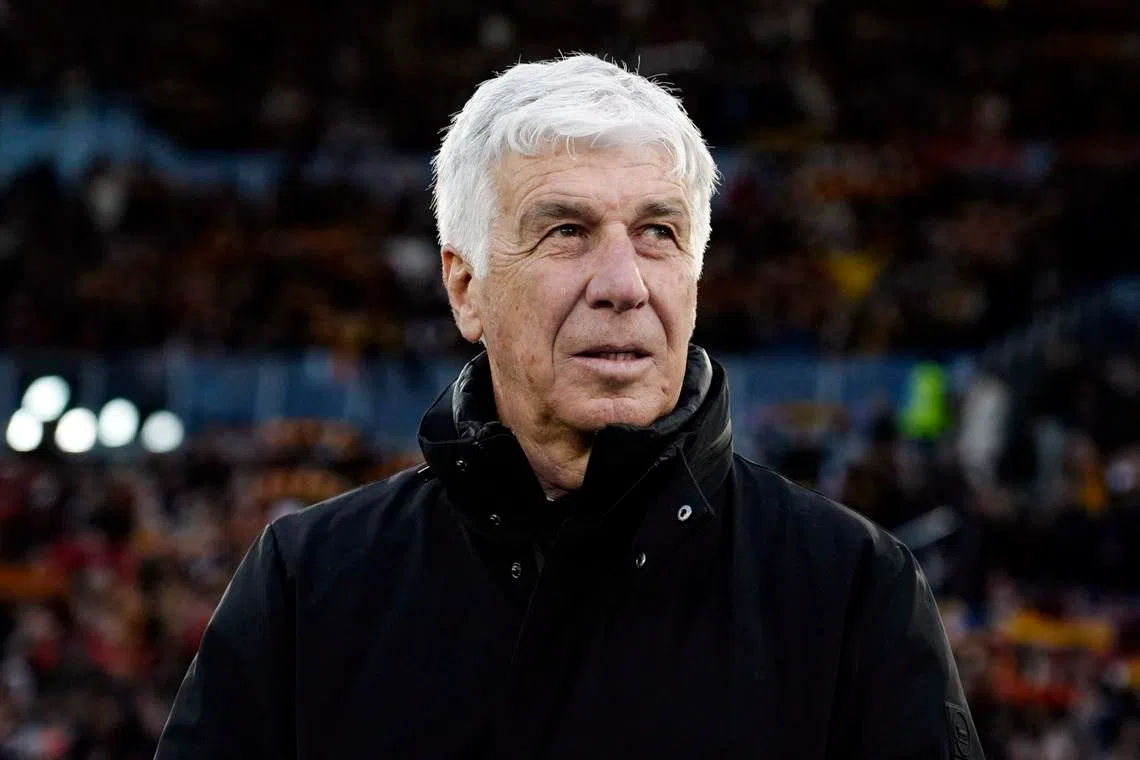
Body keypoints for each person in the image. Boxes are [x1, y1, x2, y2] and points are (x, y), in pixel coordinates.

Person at [154, 54, 984, 760]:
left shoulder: (851, 589)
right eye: (566, 232)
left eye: (658, 232)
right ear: (465, 287)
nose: (623, 285)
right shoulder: (308, 584)